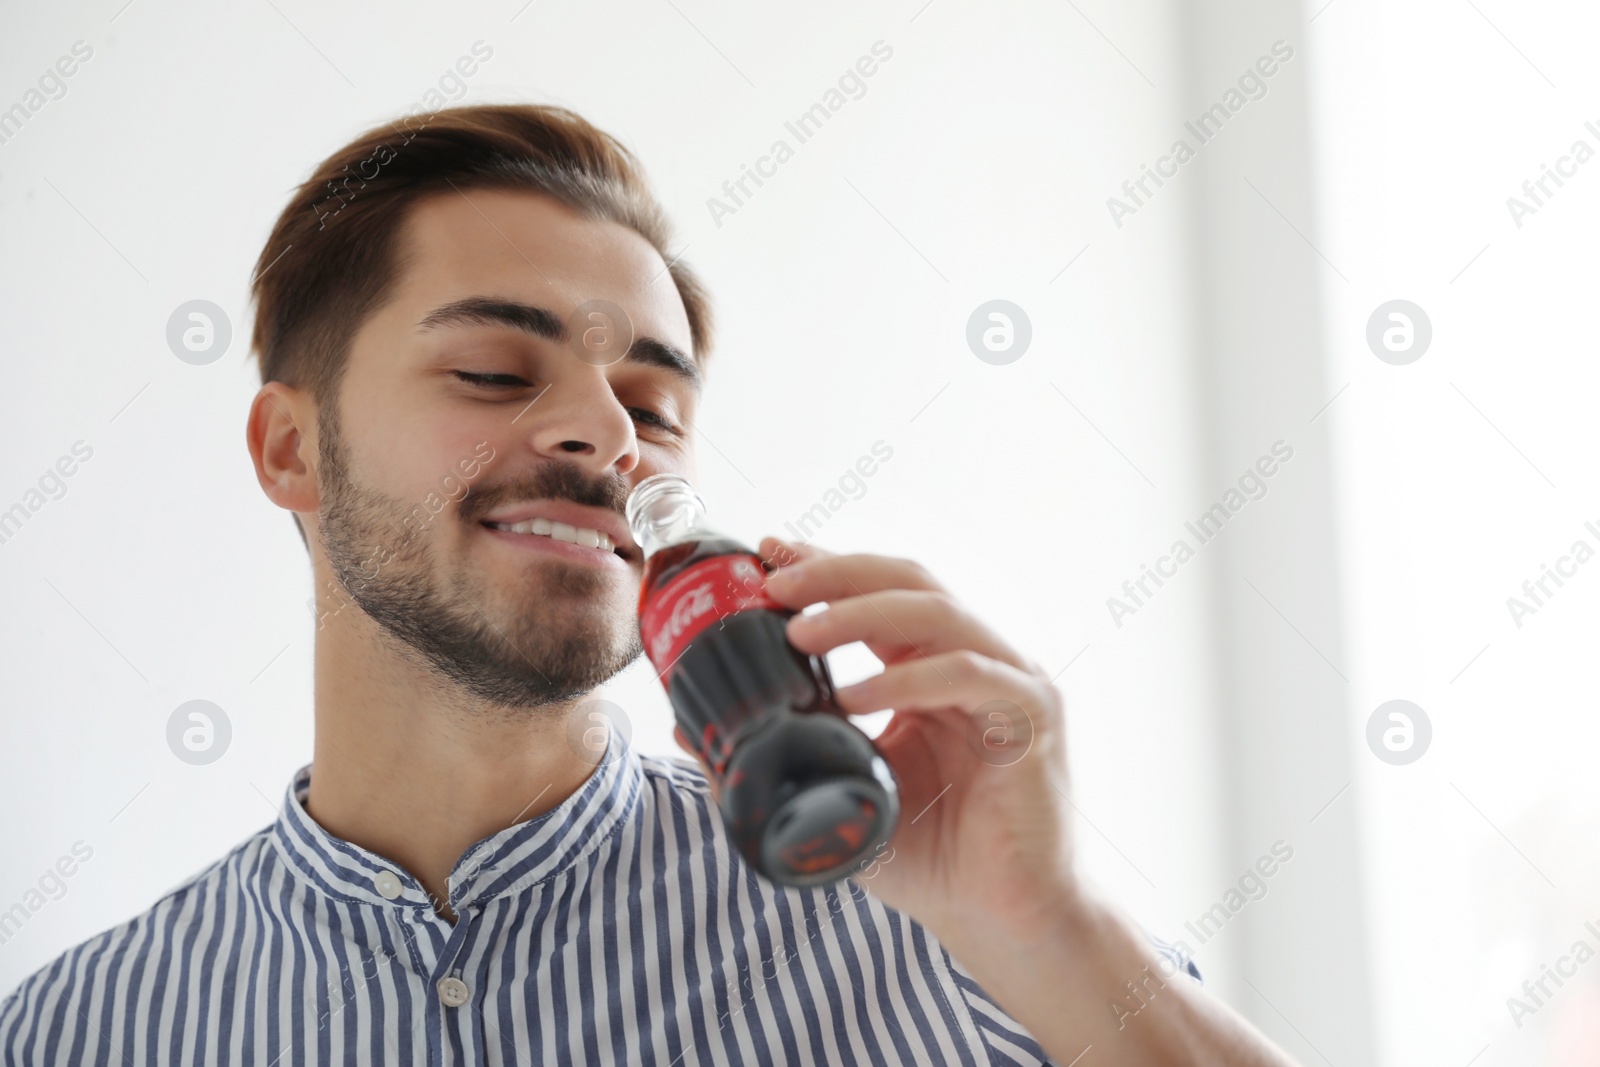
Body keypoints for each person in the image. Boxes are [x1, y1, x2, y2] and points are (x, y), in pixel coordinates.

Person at [0, 104, 1299, 1066]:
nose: (609, 439)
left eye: (653, 404)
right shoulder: (73, 1033)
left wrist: (1051, 926)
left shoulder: (944, 928)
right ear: (293, 448)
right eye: (498, 373)